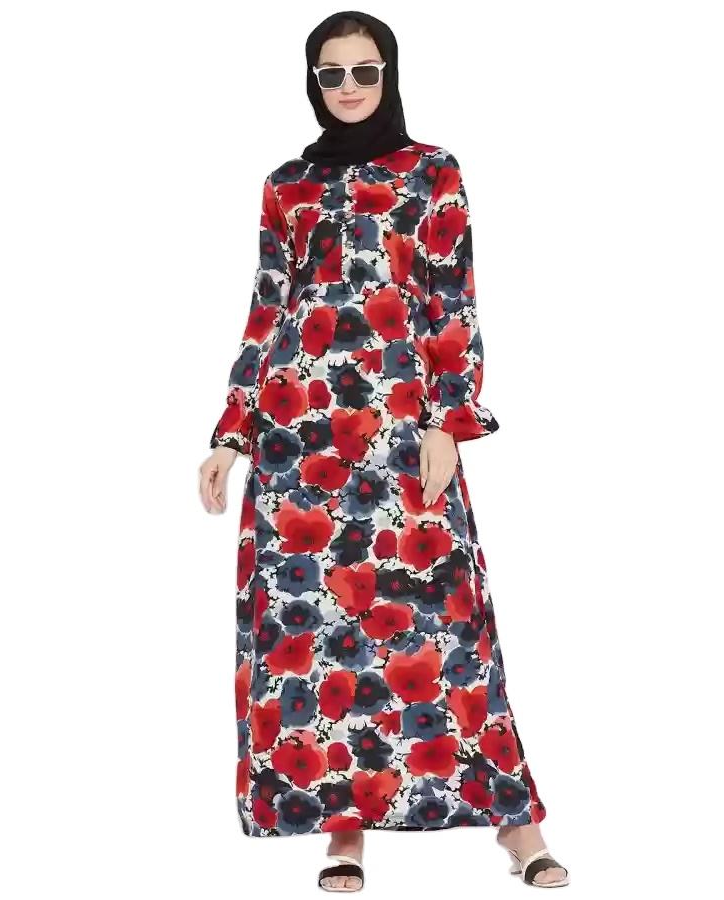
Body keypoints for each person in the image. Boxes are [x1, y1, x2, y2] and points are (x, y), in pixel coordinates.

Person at [198, 9, 569, 892]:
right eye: (331, 73)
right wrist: (230, 431)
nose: (350, 86)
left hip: (401, 427)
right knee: (315, 630)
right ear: (312, 82)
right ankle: (342, 829)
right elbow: (267, 307)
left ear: (389, 73)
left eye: (365, 70)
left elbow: (451, 300)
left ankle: (516, 823)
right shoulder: (287, 185)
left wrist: (450, 420)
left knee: (449, 619)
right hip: (297, 438)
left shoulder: (433, 172)